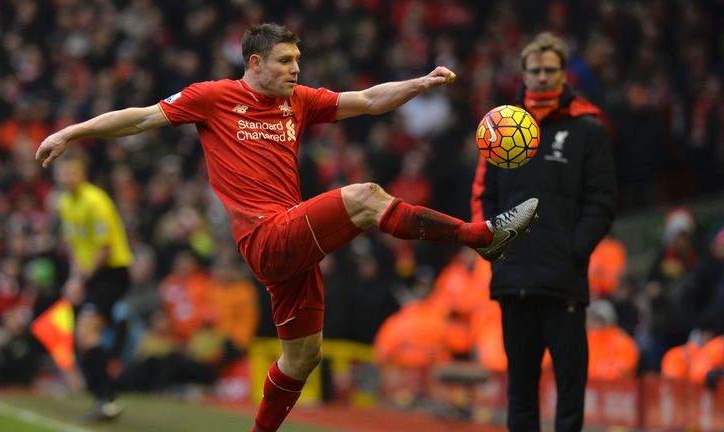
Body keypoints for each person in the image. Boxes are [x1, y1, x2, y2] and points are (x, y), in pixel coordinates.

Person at [37, 23, 538, 432]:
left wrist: (419, 84)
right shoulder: (213, 98)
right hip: (264, 237)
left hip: (293, 241)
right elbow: (139, 118)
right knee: (364, 196)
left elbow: (364, 100)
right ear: (255, 63)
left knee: (302, 357)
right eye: (285, 61)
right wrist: (72, 131)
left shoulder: (298, 101)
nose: (295, 70)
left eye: (298, 61)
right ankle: (482, 238)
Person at [471, 32, 617, 432]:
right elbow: (484, 194)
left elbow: (602, 202)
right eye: (534, 70)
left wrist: (574, 250)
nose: (541, 78)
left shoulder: (588, 129)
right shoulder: (501, 127)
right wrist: (495, 250)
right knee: (520, 387)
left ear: (563, 73)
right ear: (522, 73)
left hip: (563, 279)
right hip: (513, 276)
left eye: (550, 70)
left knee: (570, 385)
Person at [54, 156, 133, 421]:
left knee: (87, 334)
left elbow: (105, 248)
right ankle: (103, 395)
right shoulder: (65, 204)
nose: (66, 178)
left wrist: (81, 280)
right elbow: (76, 247)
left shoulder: (95, 201)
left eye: (71, 172)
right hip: (91, 274)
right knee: (83, 339)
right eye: (62, 173)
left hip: (112, 272)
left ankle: (108, 397)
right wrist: (74, 278)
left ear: (82, 173)